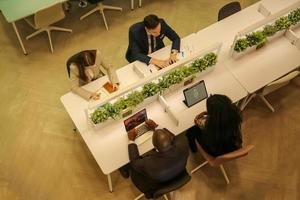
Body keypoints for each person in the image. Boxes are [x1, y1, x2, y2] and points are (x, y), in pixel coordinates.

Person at [121, 119, 189, 199]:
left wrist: (131, 140)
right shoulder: (183, 145)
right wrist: (156, 127)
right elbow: (173, 138)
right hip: (179, 174)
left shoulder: (149, 164)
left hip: (158, 185)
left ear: (155, 147)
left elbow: (134, 162)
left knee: (133, 171)